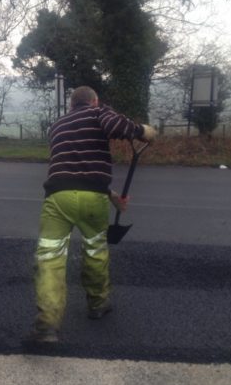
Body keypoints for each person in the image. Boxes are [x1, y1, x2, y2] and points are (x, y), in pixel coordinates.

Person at [27, 86, 157, 343]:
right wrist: (143, 131)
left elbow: (74, 168)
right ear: (94, 101)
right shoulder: (98, 113)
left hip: (57, 198)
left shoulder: (56, 126)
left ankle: (47, 325)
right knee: (96, 250)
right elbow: (116, 125)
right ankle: (97, 304)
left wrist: (112, 196)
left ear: (71, 106)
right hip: (91, 202)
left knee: (49, 257)